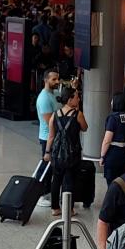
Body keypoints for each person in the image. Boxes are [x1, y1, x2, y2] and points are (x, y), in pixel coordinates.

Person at [43, 86, 88, 217]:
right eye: (76, 97)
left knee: (56, 179)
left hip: (57, 153)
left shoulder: (54, 115)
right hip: (72, 153)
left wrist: (47, 152)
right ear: (69, 100)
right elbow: (85, 128)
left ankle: (55, 208)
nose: (78, 99)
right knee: (70, 180)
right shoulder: (77, 114)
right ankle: (69, 209)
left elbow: (51, 136)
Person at [35, 70, 61, 207]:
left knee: (52, 168)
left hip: (56, 136)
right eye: (54, 79)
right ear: (46, 80)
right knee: (46, 166)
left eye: (57, 79)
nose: (57, 82)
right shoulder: (44, 98)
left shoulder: (55, 94)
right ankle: (39, 194)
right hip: (47, 137)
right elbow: (49, 121)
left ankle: (48, 192)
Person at [99, 93, 125, 185]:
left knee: (112, 184)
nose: (111, 103)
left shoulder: (113, 118)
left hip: (114, 154)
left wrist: (102, 156)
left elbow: (107, 140)